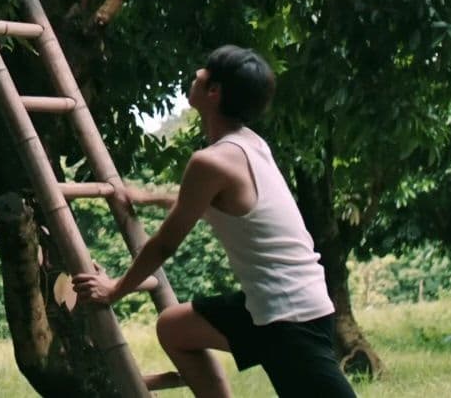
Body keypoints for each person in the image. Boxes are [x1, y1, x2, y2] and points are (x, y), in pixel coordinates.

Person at [75, 46, 355, 398]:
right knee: (175, 328)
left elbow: (165, 244)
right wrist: (146, 197)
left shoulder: (211, 162)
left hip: (291, 318)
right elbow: (206, 201)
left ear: (214, 92)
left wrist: (114, 290)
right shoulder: (249, 145)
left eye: (203, 72)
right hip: (267, 305)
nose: (196, 73)